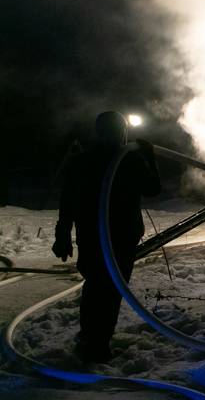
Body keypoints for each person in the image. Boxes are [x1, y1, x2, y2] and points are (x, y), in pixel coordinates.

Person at [53, 111, 160, 363]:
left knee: (97, 287)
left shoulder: (83, 161)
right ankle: (97, 344)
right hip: (117, 236)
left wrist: (63, 234)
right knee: (110, 290)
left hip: (94, 235)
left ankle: (92, 337)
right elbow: (153, 189)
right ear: (122, 131)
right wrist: (149, 156)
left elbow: (67, 201)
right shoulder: (130, 160)